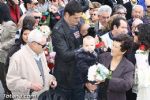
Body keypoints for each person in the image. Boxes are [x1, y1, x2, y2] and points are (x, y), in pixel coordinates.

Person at [6, 29, 57, 100]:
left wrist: (51, 80)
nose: (45, 48)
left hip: (43, 95)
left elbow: (45, 72)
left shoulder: (41, 53)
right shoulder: (17, 58)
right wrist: (30, 85)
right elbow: (11, 83)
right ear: (34, 44)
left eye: (46, 44)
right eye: (43, 45)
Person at [51, 1, 83, 100]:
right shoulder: (58, 30)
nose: (78, 20)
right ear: (67, 14)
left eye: (79, 17)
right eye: (76, 18)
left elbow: (79, 41)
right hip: (64, 78)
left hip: (78, 75)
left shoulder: (77, 24)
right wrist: (83, 49)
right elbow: (65, 54)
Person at [98, 34, 135, 100]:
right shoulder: (103, 57)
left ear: (124, 51)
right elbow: (96, 71)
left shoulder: (128, 66)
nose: (112, 48)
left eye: (116, 47)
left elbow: (126, 84)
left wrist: (106, 80)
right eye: (112, 45)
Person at [75, 36, 102, 100]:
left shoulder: (95, 52)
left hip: (94, 78)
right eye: (86, 45)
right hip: (86, 79)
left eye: (92, 45)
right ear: (83, 46)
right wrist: (94, 72)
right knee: (89, 95)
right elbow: (83, 68)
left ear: (95, 45)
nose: (89, 47)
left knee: (95, 95)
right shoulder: (81, 55)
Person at [0, 2, 17, 96]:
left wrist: (3, 46)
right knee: (3, 80)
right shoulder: (1, 24)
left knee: (7, 82)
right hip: (0, 58)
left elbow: (15, 39)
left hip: (6, 58)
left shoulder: (10, 24)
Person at [134, 23, 150, 100]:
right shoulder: (136, 48)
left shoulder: (141, 51)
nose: (134, 35)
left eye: (136, 33)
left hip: (145, 88)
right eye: (134, 32)